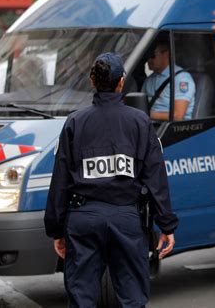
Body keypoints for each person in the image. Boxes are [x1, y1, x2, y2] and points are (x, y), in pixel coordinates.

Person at [44, 52, 178, 308]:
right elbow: (155, 177)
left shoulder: (75, 122)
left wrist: (56, 230)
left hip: (84, 219)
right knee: (132, 298)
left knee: (82, 298)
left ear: (92, 81)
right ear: (121, 83)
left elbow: (60, 180)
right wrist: (167, 225)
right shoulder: (139, 121)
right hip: (127, 219)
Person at [141, 41, 196, 121]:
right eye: (147, 56)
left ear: (166, 54)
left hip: (172, 129)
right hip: (150, 126)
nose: (148, 60)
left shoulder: (181, 78)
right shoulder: (149, 79)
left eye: (152, 56)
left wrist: (145, 114)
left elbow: (177, 116)